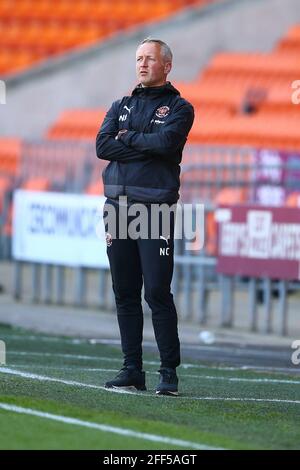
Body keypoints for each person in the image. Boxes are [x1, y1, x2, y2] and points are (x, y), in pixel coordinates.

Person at [96, 38, 194, 395]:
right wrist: (143, 143)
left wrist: (128, 140)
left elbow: (167, 145)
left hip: (155, 208)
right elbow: (102, 146)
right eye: (138, 58)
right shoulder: (120, 104)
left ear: (166, 65)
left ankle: (168, 371)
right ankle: (132, 369)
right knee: (124, 291)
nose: (141, 64)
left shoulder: (180, 107)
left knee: (155, 290)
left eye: (149, 59)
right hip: (117, 207)